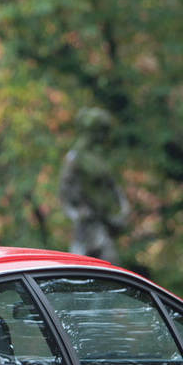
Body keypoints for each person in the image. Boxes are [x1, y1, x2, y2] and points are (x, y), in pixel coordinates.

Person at [58, 108, 130, 262]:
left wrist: (123, 208)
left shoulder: (97, 159)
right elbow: (63, 192)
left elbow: (113, 187)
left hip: (102, 224)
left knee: (110, 266)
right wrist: (75, 213)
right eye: (101, 131)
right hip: (85, 227)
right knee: (80, 268)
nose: (104, 137)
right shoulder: (75, 159)